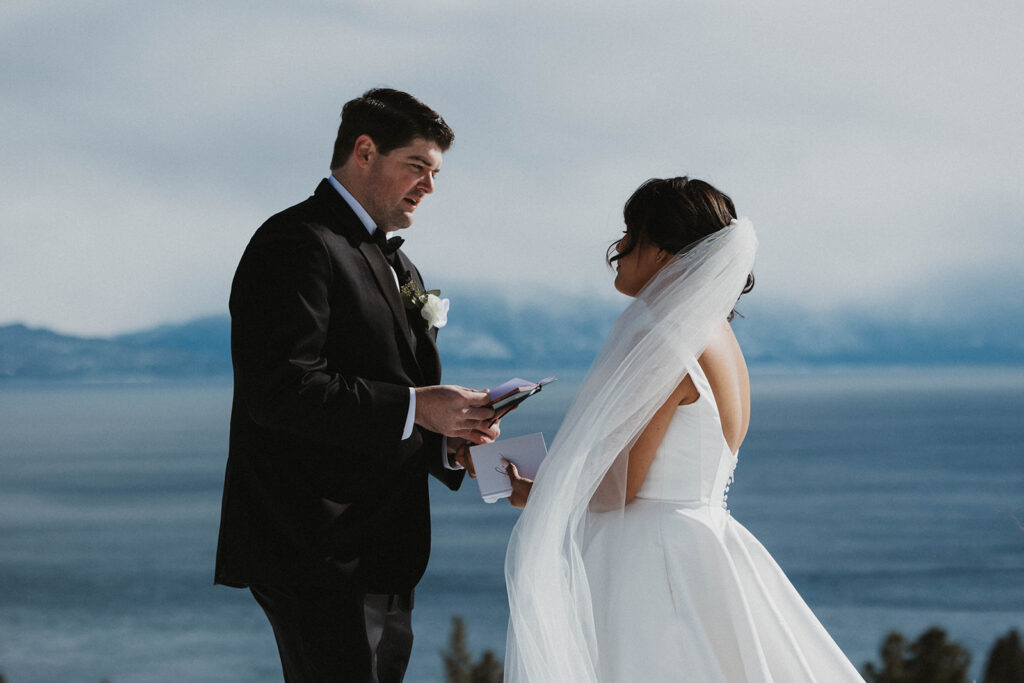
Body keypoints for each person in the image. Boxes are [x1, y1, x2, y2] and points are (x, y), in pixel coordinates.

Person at [501, 178, 863, 681]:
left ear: (666, 254)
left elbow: (622, 487)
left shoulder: (665, 340)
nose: (617, 248)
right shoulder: (720, 336)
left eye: (632, 233)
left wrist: (536, 495)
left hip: (650, 564)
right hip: (707, 542)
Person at [214, 88, 495, 682]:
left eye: (435, 172)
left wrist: (451, 436)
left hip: (383, 549)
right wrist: (420, 406)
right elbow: (281, 389)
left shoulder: (399, 264)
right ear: (364, 151)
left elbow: (395, 393)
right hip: (314, 547)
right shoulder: (295, 243)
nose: (429, 187)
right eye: (416, 166)